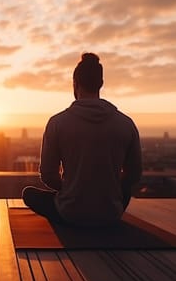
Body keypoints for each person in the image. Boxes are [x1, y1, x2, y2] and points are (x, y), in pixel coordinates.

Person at [22, 53, 142, 226]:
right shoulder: (125, 123)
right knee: (123, 191)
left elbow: (48, 175)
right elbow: (134, 175)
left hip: (70, 212)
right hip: (111, 212)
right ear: (101, 84)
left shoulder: (57, 123)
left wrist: (74, 188)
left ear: (75, 83)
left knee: (29, 194)